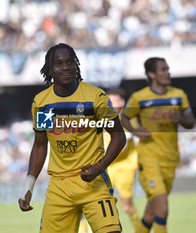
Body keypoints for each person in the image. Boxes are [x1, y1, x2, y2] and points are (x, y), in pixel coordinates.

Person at [18, 43, 126, 233]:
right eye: (59, 64)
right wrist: (28, 187)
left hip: (93, 182)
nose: (66, 67)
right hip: (59, 187)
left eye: (70, 62)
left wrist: (99, 167)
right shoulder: (43, 103)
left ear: (76, 64)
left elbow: (118, 136)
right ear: (50, 69)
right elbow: (40, 146)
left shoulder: (95, 98)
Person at [121, 57, 195, 233]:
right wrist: (135, 131)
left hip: (170, 160)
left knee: (151, 212)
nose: (168, 72)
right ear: (151, 74)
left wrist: (182, 119)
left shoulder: (179, 95)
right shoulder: (139, 97)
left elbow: (191, 122)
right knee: (162, 208)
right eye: (163, 69)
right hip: (149, 159)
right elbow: (124, 117)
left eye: (168, 68)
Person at [105, 88, 140, 229]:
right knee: (100, 203)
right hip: (107, 166)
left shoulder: (129, 120)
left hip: (125, 167)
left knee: (126, 205)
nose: (110, 104)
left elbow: (121, 146)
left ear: (122, 102)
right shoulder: (101, 118)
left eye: (114, 101)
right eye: (108, 101)